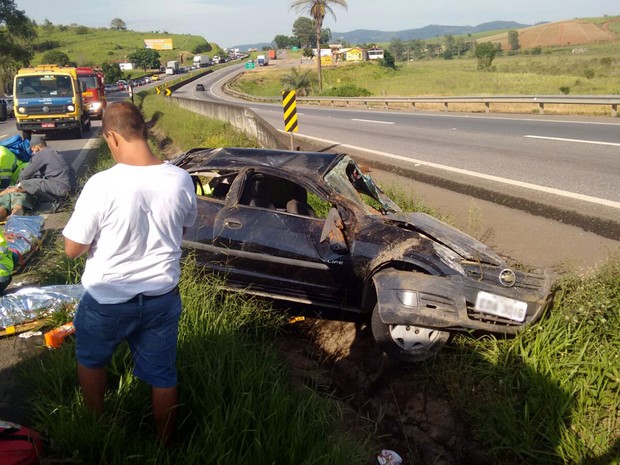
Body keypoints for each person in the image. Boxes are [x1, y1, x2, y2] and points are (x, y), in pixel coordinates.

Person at [62, 101, 197, 444]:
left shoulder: (101, 184)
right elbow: (180, 231)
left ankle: (97, 425)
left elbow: (73, 248)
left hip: (108, 299)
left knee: (91, 361)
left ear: (112, 136)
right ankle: (165, 445)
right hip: (162, 299)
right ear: (144, 130)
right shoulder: (181, 179)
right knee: (163, 375)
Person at [0, 139, 76, 216]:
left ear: (36, 148)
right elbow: (39, 173)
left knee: (25, 183)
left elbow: (24, 175)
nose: (32, 152)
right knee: (31, 185)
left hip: (62, 188)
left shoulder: (41, 155)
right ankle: (60, 199)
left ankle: (57, 202)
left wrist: (19, 186)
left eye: (32, 150)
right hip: (72, 188)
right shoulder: (54, 152)